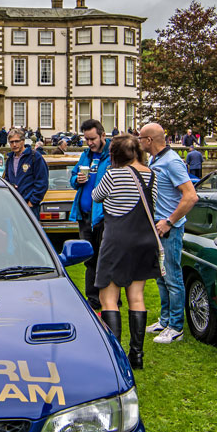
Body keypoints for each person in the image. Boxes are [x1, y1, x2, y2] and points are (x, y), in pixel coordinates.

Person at [92, 134, 158, 368]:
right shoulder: (151, 175)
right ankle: (137, 355)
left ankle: (116, 353)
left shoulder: (113, 174)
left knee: (108, 298)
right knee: (136, 296)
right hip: (144, 240)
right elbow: (154, 203)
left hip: (117, 238)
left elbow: (96, 196)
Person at [139, 123, 198, 344]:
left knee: (172, 277)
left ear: (149, 140)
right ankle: (164, 321)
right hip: (157, 227)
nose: (139, 141)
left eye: (141, 138)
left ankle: (176, 327)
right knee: (161, 276)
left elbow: (191, 196)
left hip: (169, 229)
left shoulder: (172, 162)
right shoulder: (155, 160)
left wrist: (170, 222)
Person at [69, 119, 111, 311]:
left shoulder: (112, 155)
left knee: (105, 259)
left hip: (104, 217)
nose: (90, 143)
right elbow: (73, 180)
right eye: (86, 139)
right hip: (85, 215)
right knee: (89, 259)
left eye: (92, 138)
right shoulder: (85, 155)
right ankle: (93, 300)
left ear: (103, 135)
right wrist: (77, 179)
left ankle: (110, 299)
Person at [4, 128, 48, 216]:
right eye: (11, 142)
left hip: (30, 205)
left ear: (23, 141)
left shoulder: (35, 157)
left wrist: (32, 201)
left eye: (17, 141)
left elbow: (42, 182)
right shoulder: (10, 159)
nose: (14, 144)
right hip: (14, 204)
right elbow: (7, 179)